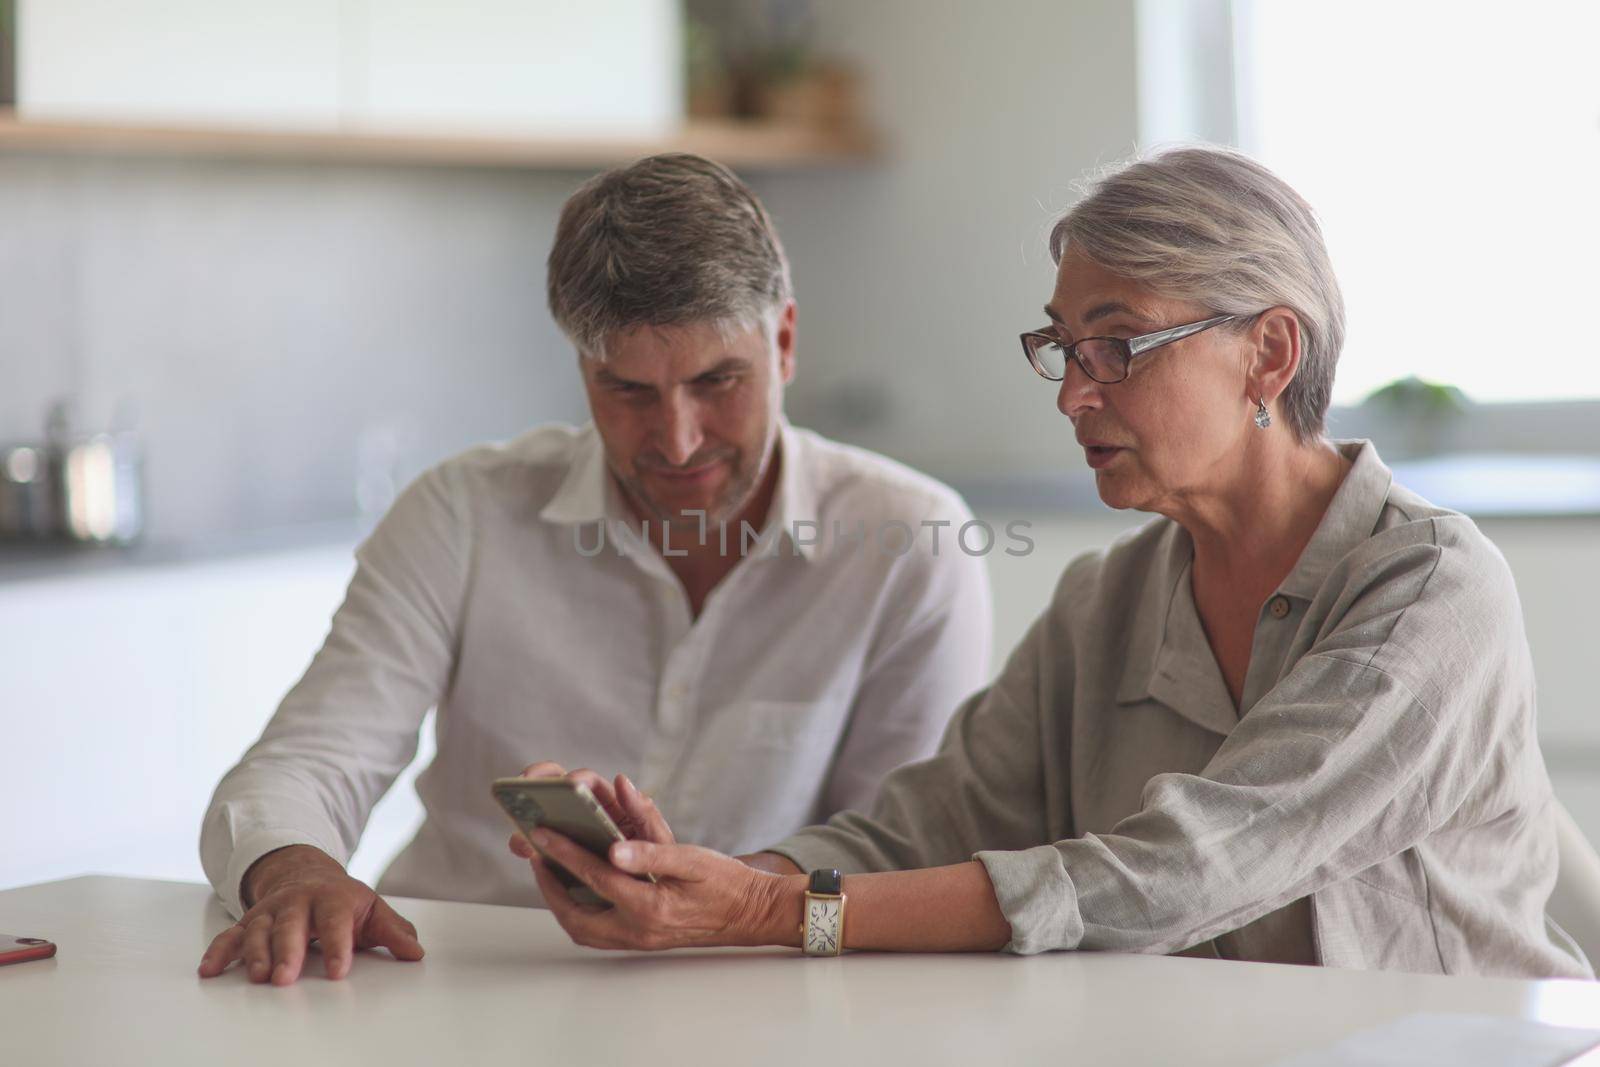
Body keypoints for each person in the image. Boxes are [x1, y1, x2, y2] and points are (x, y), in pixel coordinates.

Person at [511, 145, 1593, 979]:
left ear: (1268, 351)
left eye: (1117, 346)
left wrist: (760, 913)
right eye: (1063, 348)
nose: (1074, 393)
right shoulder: (1106, 598)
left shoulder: (1431, 588)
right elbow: (919, 825)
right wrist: (691, 879)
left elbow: (1188, 864)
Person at [196, 153, 993, 986]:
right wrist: (296, 870)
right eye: (630, 391)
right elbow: (307, 760)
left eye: (717, 381)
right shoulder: (462, 512)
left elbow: (901, 855)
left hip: (755, 1005)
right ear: (582, 368)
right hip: (457, 991)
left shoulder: (913, 540)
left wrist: (716, 896)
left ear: (784, 341)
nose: (679, 440)